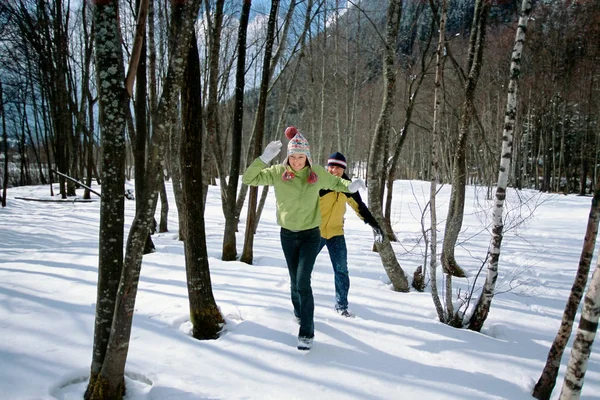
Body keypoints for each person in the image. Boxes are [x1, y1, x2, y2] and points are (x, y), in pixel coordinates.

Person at [242, 127, 366, 351]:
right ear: (287, 156)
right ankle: (299, 312)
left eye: (301, 157)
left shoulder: (316, 174)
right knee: (294, 280)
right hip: (287, 236)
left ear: (307, 157)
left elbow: (336, 183)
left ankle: (307, 332)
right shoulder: (278, 172)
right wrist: (263, 159)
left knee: (302, 281)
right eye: (293, 156)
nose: (297, 161)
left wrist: (351, 186)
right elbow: (249, 179)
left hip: (311, 235)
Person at [318, 152, 385, 317]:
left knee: (341, 270)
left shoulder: (349, 186)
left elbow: (360, 207)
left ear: (343, 169)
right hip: (315, 232)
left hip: (336, 233)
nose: (334, 170)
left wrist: (375, 225)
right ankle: (300, 303)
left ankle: (341, 306)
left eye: (338, 167)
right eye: (331, 166)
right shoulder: (320, 182)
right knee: (302, 269)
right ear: (327, 167)